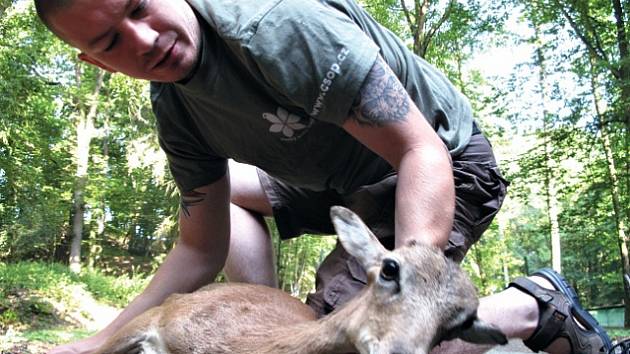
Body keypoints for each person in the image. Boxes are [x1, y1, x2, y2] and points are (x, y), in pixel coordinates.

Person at [33, 0, 612, 353]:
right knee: (236, 205)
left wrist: (400, 282)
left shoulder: (274, 27)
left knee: (351, 338)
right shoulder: (176, 109)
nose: (144, 40)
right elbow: (198, 244)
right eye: (111, 41)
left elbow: (420, 150)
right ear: (97, 62)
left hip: (436, 164)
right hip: (332, 180)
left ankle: (533, 307)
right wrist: (99, 341)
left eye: (138, 6)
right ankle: (282, 310)